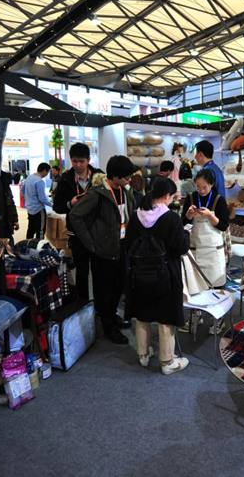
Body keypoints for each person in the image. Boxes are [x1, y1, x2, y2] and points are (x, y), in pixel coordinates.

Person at [124, 176, 190, 375]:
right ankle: (167, 361)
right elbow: (180, 248)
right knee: (165, 316)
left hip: (139, 273)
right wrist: (186, 235)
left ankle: (143, 355)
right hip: (165, 273)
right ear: (167, 195)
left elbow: (128, 245)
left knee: (142, 313)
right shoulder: (172, 218)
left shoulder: (136, 215)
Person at [67, 155, 136, 345]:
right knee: (104, 289)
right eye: (126, 177)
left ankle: (112, 315)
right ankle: (108, 326)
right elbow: (75, 216)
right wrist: (90, 243)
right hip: (102, 250)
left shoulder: (125, 191)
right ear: (115, 176)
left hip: (122, 246)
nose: (129, 180)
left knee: (118, 286)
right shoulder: (97, 194)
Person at [54, 143, 102, 301]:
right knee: (81, 271)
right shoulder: (65, 180)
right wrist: (70, 203)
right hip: (76, 233)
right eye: (75, 161)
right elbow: (57, 207)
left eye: (82, 161)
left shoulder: (100, 177)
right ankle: (83, 304)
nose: (78, 165)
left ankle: (100, 305)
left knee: (99, 270)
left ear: (88, 160)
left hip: (97, 231)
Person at [181, 168, 230, 288]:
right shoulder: (191, 198)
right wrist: (189, 214)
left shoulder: (219, 200)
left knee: (216, 286)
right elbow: (183, 223)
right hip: (195, 248)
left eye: (204, 187)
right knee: (196, 286)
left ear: (211, 184)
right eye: (198, 187)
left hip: (213, 250)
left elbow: (224, 226)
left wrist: (210, 215)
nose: (201, 190)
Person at [24, 162, 53, 240]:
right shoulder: (40, 181)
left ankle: (28, 244)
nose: (47, 174)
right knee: (40, 230)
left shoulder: (29, 177)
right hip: (38, 210)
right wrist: (52, 205)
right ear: (44, 170)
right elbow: (42, 198)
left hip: (30, 209)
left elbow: (23, 190)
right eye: (47, 172)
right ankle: (38, 246)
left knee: (31, 229)